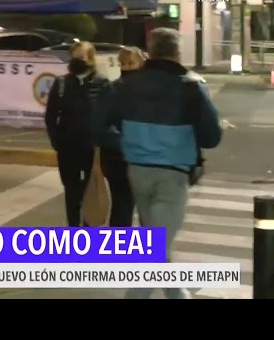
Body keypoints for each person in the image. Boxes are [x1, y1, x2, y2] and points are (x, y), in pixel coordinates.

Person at [92, 28, 223, 299]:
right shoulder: (190, 86)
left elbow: (96, 126)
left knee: (156, 245)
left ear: (150, 52)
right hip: (172, 174)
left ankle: (178, 294)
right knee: (156, 251)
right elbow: (212, 137)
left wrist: (128, 141)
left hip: (137, 171)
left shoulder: (125, 85)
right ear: (177, 53)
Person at [45, 41, 117, 227]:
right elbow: (51, 116)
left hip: (93, 150)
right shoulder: (61, 84)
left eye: (81, 57)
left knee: (90, 192)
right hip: (68, 148)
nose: (76, 61)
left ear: (91, 59)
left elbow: (110, 116)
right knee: (71, 192)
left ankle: (89, 228)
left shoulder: (102, 84)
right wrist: (56, 141)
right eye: (74, 57)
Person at [96, 46, 147, 227]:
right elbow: (100, 125)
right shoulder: (114, 90)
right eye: (123, 63)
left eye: (130, 63)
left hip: (126, 154)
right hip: (121, 156)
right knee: (124, 204)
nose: (126, 68)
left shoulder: (118, 89)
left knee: (126, 205)